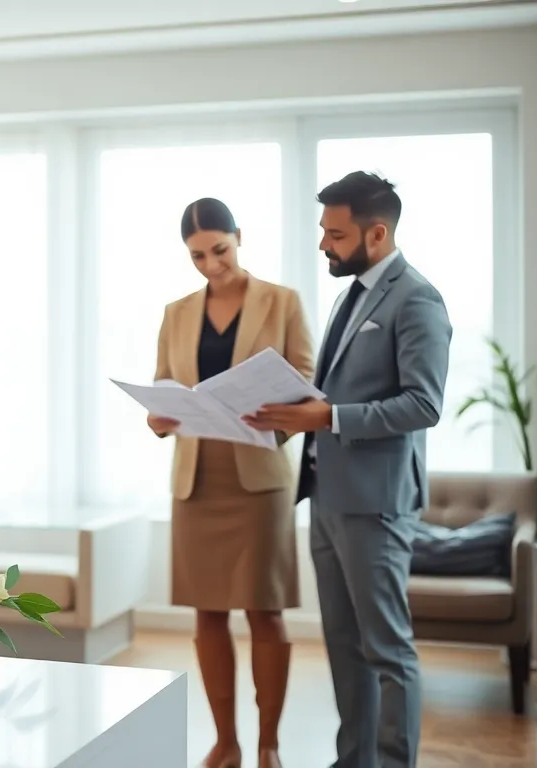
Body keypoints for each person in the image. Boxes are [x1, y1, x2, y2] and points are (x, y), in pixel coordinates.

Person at [244, 172, 452, 768]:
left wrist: (328, 415)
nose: (323, 245)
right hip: (329, 498)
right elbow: (332, 392)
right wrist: (283, 413)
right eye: (322, 231)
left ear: (378, 233)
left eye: (334, 234)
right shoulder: (350, 295)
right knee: (343, 647)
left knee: (388, 651)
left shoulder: (418, 299)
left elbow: (424, 404)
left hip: (377, 503)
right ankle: (353, 760)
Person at [148, 198, 314, 768]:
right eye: (198, 256)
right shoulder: (176, 312)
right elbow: (162, 386)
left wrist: (275, 415)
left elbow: (307, 382)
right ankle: (227, 741)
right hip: (198, 479)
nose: (211, 265)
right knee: (206, 612)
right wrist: (158, 416)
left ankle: (268, 743)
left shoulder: (282, 301)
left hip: (259, 477)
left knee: (265, 611)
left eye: (220, 250)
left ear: (239, 237)